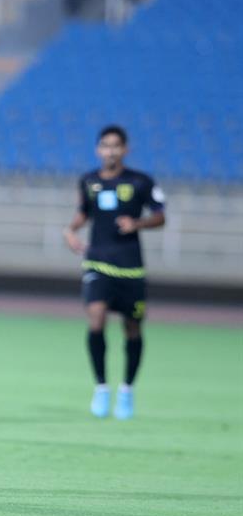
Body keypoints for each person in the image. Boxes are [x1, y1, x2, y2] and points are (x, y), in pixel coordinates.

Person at [63, 125, 165, 420]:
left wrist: (137, 224)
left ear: (125, 149)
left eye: (116, 146)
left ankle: (127, 389)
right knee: (96, 318)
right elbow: (84, 212)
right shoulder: (89, 181)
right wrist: (70, 230)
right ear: (98, 150)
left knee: (132, 329)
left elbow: (160, 216)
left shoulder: (140, 181)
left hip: (131, 266)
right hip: (98, 262)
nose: (110, 151)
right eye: (105, 145)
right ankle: (101, 387)